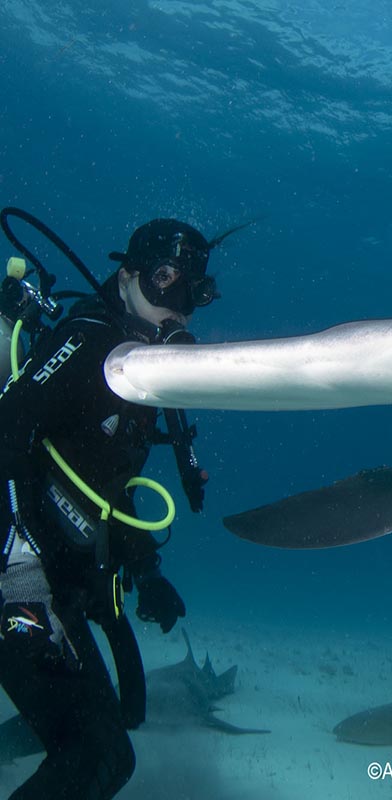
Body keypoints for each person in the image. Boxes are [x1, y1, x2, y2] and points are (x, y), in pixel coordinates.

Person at [0, 218, 221, 799]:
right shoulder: (89, 342)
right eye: (164, 278)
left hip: (64, 579)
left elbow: (100, 486)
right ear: (126, 277)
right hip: (20, 579)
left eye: (192, 289)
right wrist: (20, 575)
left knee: (121, 723)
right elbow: (4, 433)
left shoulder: (141, 373)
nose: (177, 304)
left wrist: (145, 571)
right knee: (98, 755)